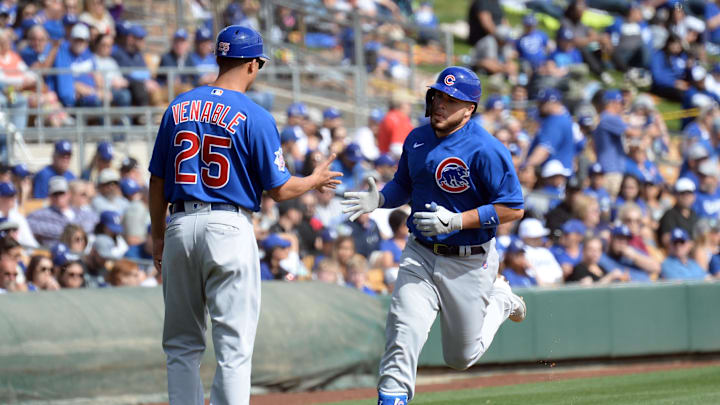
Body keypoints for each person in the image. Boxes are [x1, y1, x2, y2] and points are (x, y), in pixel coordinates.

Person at [148, 26, 341, 405]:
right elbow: (280, 190)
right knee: (233, 348)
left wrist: (158, 235)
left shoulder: (178, 106)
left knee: (182, 346)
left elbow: (156, 180)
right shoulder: (255, 115)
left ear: (220, 58)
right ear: (253, 65)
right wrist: (314, 180)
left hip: (181, 223)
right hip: (228, 224)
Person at [341, 66, 525, 405]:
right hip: (420, 253)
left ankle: (500, 301)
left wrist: (458, 221)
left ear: (469, 108)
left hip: (470, 262)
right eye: (439, 95)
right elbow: (404, 186)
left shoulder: (486, 148)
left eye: (451, 99)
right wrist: (380, 198)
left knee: (460, 357)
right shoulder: (417, 138)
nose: (441, 103)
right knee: (402, 331)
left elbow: (513, 207)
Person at [524, 89, 574, 172]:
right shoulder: (564, 118)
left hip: (553, 176)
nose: (539, 106)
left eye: (542, 103)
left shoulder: (555, 121)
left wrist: (526, 166)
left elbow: (544, 149)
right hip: (560, 173)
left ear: (551, 103)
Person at [658, 178, 699, 250]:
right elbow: (666, 240)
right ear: (675, 195)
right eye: (682, 193)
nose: (686, 197)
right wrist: (689, 245)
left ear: (694, 196)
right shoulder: (669, 215)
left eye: (689, 193)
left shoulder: (694, 215)